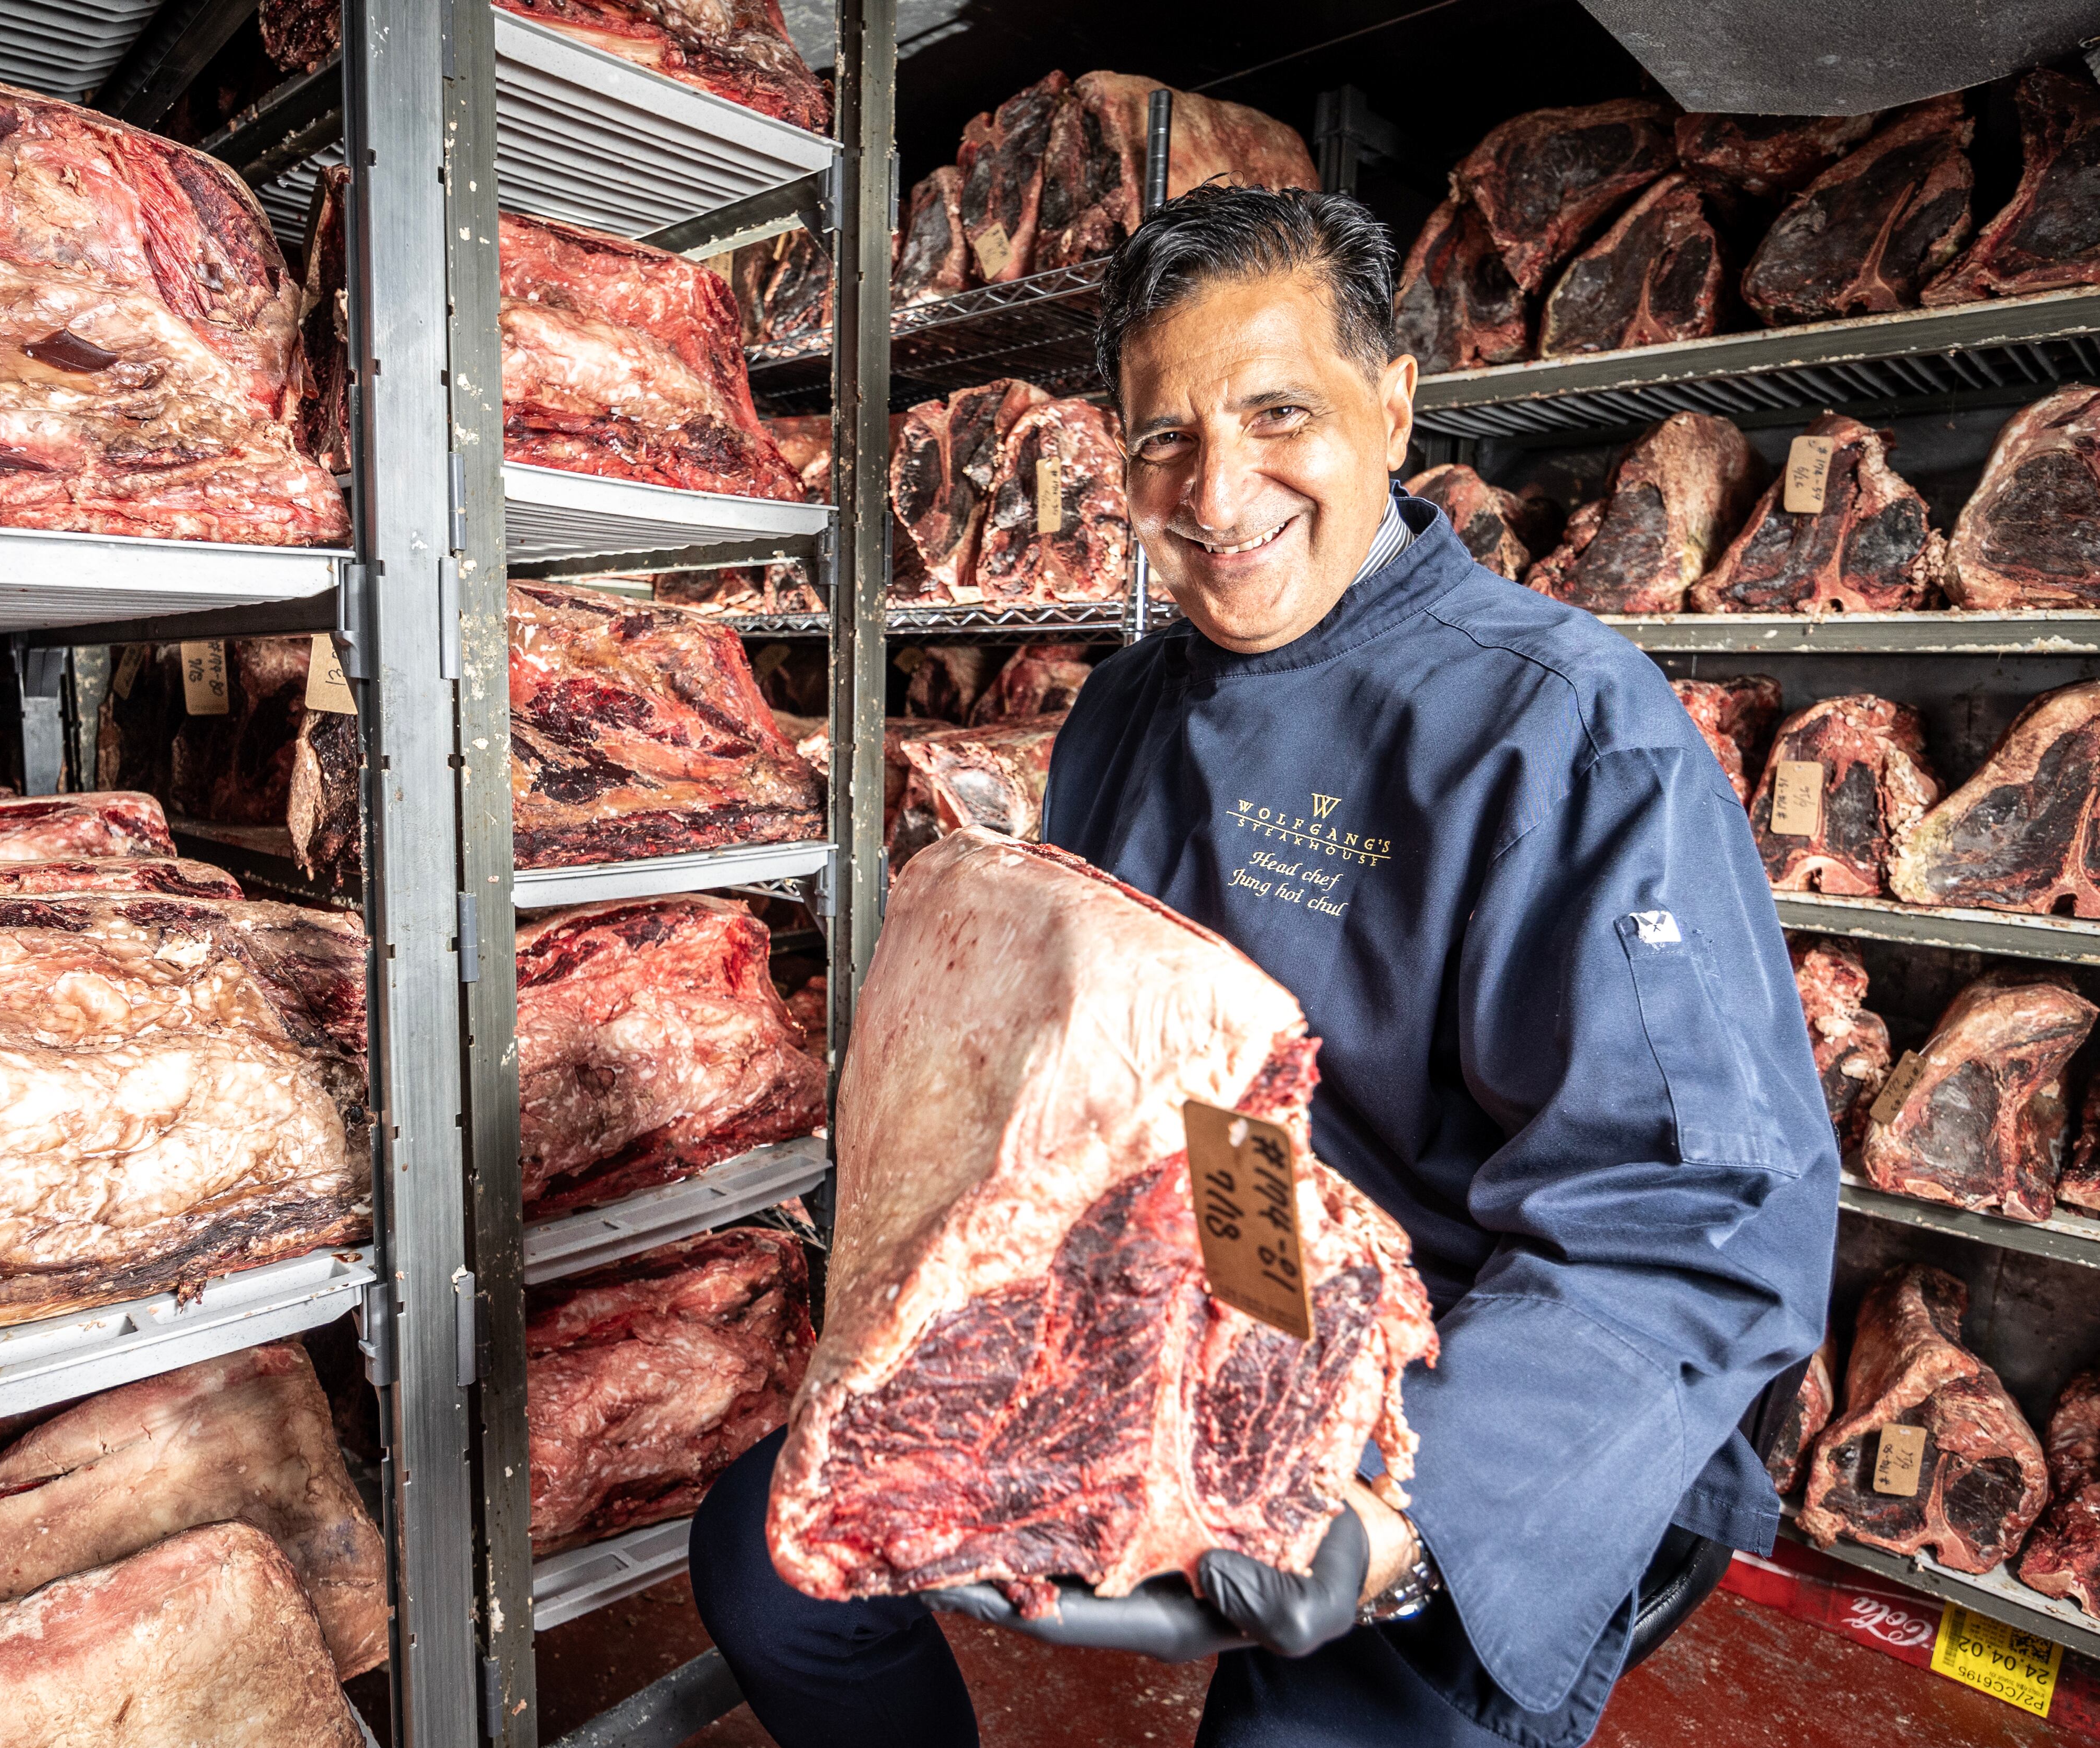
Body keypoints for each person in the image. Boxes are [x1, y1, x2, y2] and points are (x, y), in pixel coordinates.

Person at [690, 185, 1838, 1748]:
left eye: (1277, 411)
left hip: (1476, 1388)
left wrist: (1388, 1511)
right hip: (1189, 1302)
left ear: (1394, 401)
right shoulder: (1122, 709)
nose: (1217, 490)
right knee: (769, 1565)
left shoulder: (1563, 730)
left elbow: (1698, 1216)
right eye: (1163, 435)